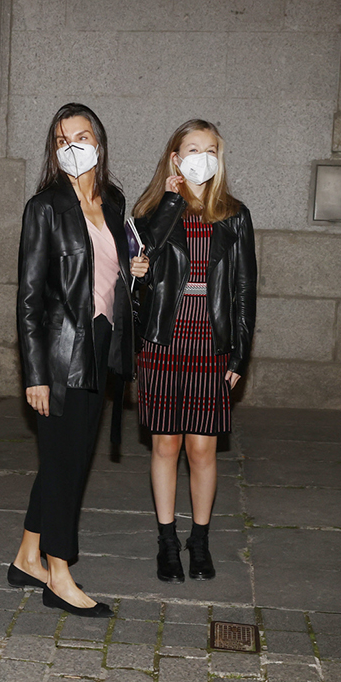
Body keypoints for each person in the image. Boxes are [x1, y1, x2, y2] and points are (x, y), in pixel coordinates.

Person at [9, 103, 149, 617]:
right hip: (62, 351)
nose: (73, 146)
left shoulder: (113, 201)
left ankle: (28, 555)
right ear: (54, 150)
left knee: (64, 459)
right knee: (68, 464)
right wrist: (36, 375)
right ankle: (59, 573)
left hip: (103, 342)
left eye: (82, 136)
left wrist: (134, 271)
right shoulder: (43, 207)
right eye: (62, 140)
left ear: (99, 142)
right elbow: (28, 298)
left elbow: (110, 269)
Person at [132, 119, 256, 584]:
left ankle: (198, 541)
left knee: (203, 449)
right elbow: (142, 261)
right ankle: (167, 541)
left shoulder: (234, 214)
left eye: (210, 150)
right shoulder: (153, 211)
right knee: (165, 443)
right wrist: (169, 200)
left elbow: (245, 288)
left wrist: (239, 355)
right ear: (175, 158)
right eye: (192, 149)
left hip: (210, 339)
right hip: (163, 339)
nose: (202, 157)